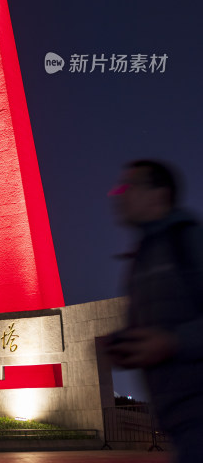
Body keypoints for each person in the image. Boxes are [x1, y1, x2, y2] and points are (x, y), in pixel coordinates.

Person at [106, 160, 203, 462]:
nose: (118, 194)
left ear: (158, 194)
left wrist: (171, 342)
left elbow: (168, 335)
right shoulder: (142, 257)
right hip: (176, 416)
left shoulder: (188, 241)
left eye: (129, 186)